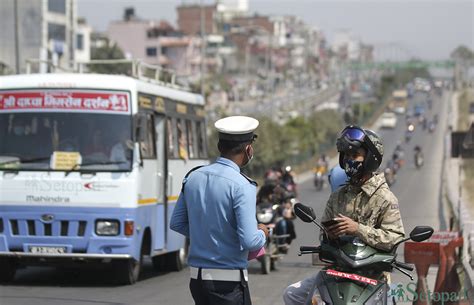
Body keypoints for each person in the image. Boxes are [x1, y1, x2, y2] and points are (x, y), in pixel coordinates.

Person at [283, 125, 405, 305]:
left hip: (373, 278)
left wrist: (358, 229)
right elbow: (323, 232)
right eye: (346, 155)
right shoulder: (338, 196)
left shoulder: (385, 199)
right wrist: (329, 235)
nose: (348, 160)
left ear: (370, 158)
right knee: (292, 294)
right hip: (336, 274)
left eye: (354, 155)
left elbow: (394, 238)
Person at [170, 115, 269, 305]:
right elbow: (250, 240)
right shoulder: (242, 185)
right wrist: (264, 233)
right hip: (228, 284)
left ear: (219, 146)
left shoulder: (193, 177)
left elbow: (177, 223)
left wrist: (207, 233)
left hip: (197, 281)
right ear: (248, 149)